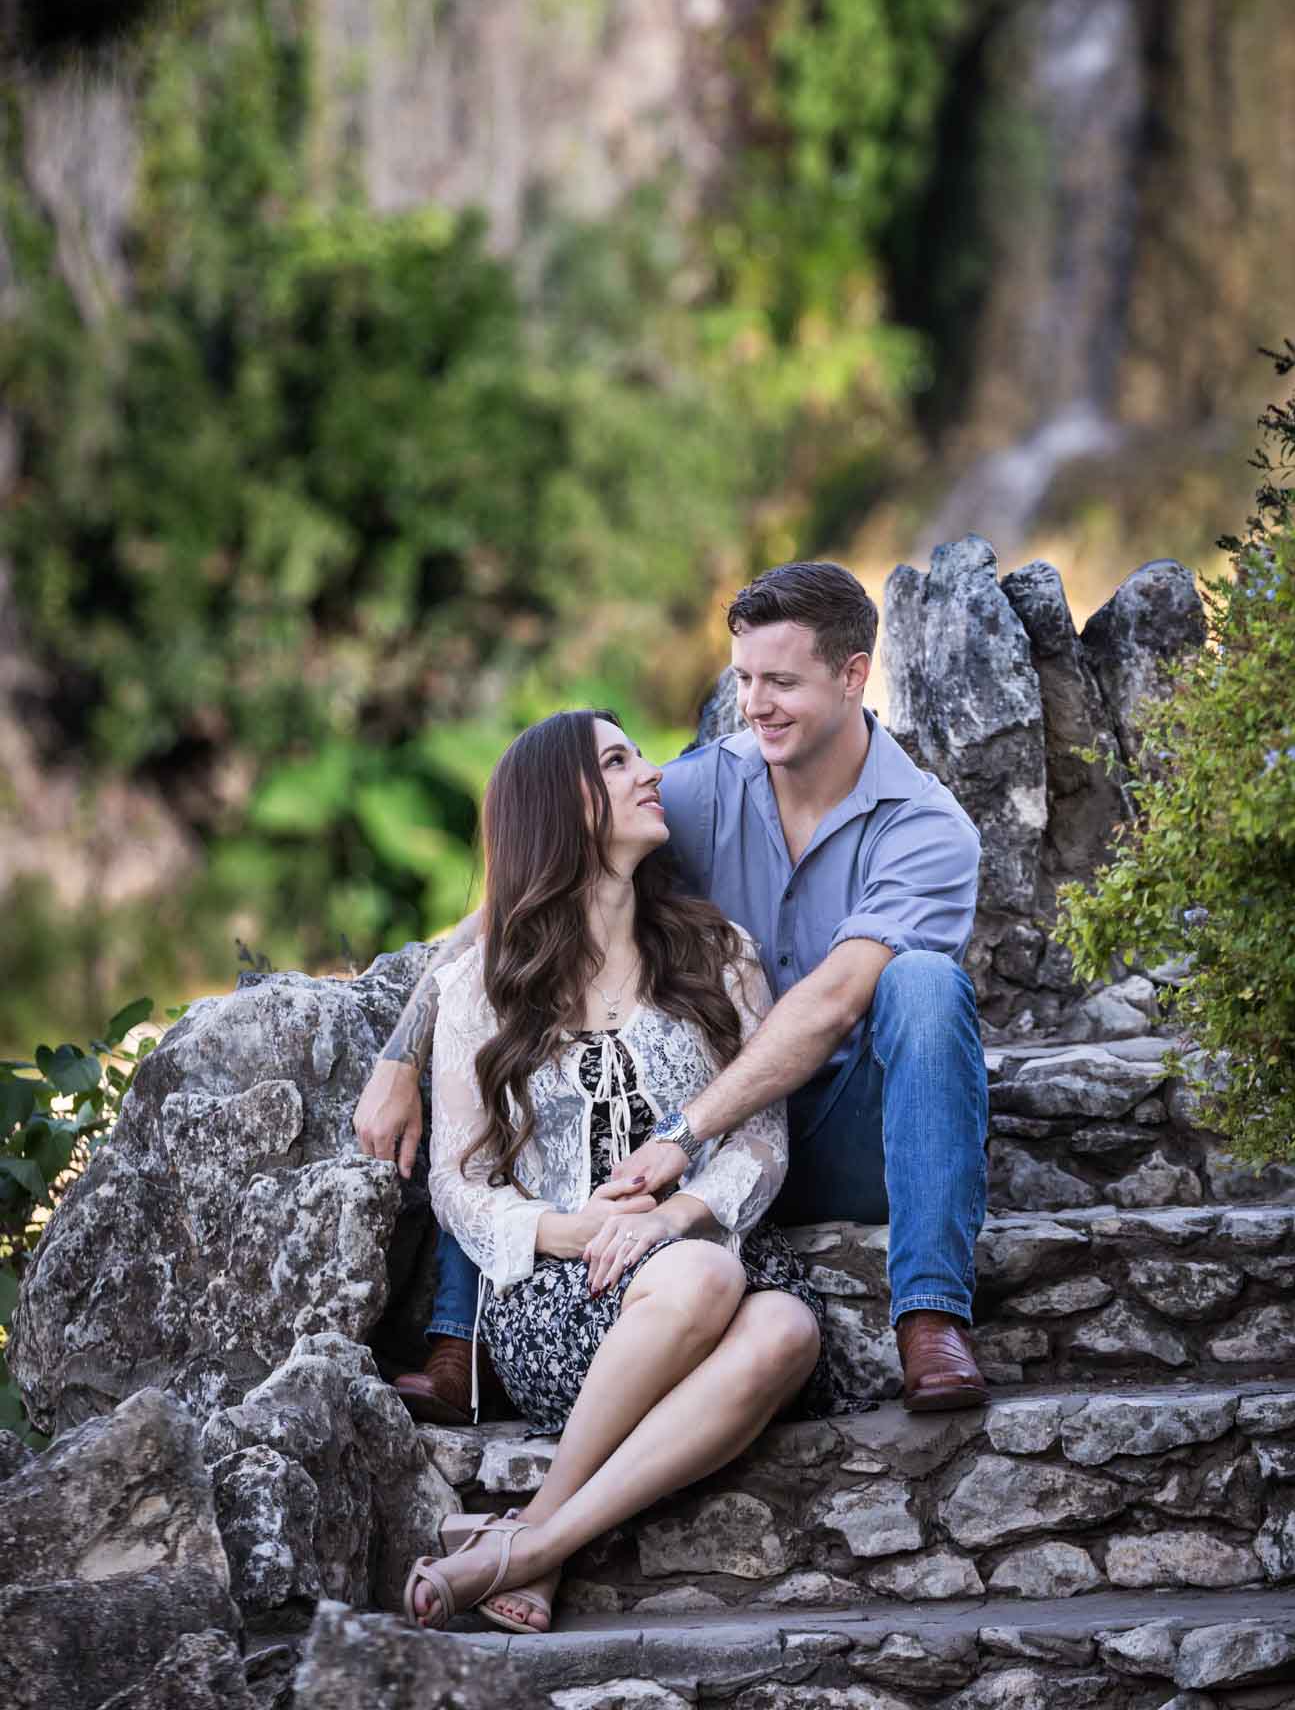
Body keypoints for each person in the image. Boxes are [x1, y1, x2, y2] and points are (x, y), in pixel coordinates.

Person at [356, 559, 988, 1432]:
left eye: (781, 681)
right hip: (708, 1125)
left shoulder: (926, 828)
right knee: (520, 1010)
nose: (755, 704)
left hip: (843, 1128)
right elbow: (526, 888)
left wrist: (680, 1136)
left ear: (852, 676)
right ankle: (456, 1341)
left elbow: (837, 999)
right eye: (743, 680)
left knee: (925, 983)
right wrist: (400, 1050)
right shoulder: (699, 788)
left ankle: (929, 1316)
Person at [398, 705, 851, 1633]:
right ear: (560, 807)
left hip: (706, 1262)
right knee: (706, 1275)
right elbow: (454, 1180)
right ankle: (539, 1541)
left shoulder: (715, 952)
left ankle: (531, 1542)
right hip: (560, 1295)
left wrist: (676, 1215)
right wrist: (574, 1230)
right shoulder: (482, 982)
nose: (649, 773)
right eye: (617, 761)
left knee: (786, 1333)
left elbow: (762, 1135)